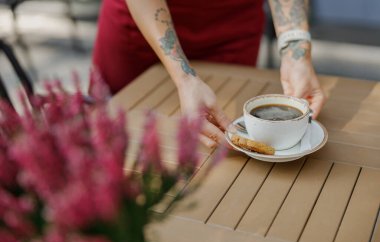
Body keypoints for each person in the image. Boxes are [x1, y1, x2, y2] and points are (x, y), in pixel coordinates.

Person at [93, 0, 325, 148]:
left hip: (233, 27)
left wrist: (296, 51)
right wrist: (184, 78)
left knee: (224, 157)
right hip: (144, 28)